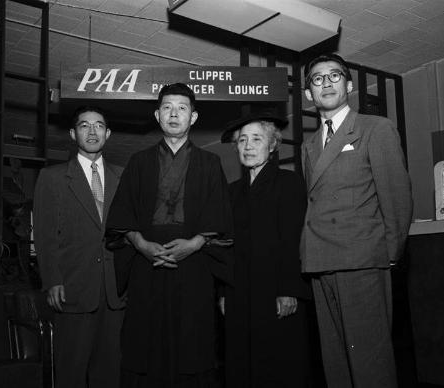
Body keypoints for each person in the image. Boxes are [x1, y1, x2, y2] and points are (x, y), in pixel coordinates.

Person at [105, 83, 233, 388]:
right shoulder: (138, 162)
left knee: (193, 345)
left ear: (194, 117)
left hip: (194, 269)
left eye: (182, 108)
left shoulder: (210, 163)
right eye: (167, 107)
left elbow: (222, 221)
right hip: (146, 268)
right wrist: (140, 244)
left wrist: (195, 243)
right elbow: (120, 219)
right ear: (157, 115)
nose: (174, 114)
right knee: (144, 346)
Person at [300, 53, 413, 387]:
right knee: (336, 363)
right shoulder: (309, 145)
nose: (326, 83)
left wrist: (388, 254)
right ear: (309, 95)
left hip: (362, 259)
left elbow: (396, 196)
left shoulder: (374, 128)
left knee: (370, 362)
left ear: (348, 86)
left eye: (334, 76)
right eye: (317, 79)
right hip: (321, 261)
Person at [33, 106, 125, 388]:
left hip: (115, 293)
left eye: (99, 125)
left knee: (111, 373)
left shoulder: (124, 176)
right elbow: (45, 235)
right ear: (74, 134)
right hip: (72, 290)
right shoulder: (52, 177)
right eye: (85, 126)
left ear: (107, 134)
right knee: (70, 372)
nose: (92, 131)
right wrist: (52, 281)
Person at [220, 110, 312, 388]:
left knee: (279, 366)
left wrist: (288, 289)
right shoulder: (232, 191)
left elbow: (293, 240)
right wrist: (224, 292)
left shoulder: (289, 183)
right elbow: (226, 245)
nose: (248, 146)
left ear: (272, 145)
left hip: (276, 292)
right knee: (241, 366)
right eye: (242, 140)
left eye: (256, 139)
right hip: (238, 294)